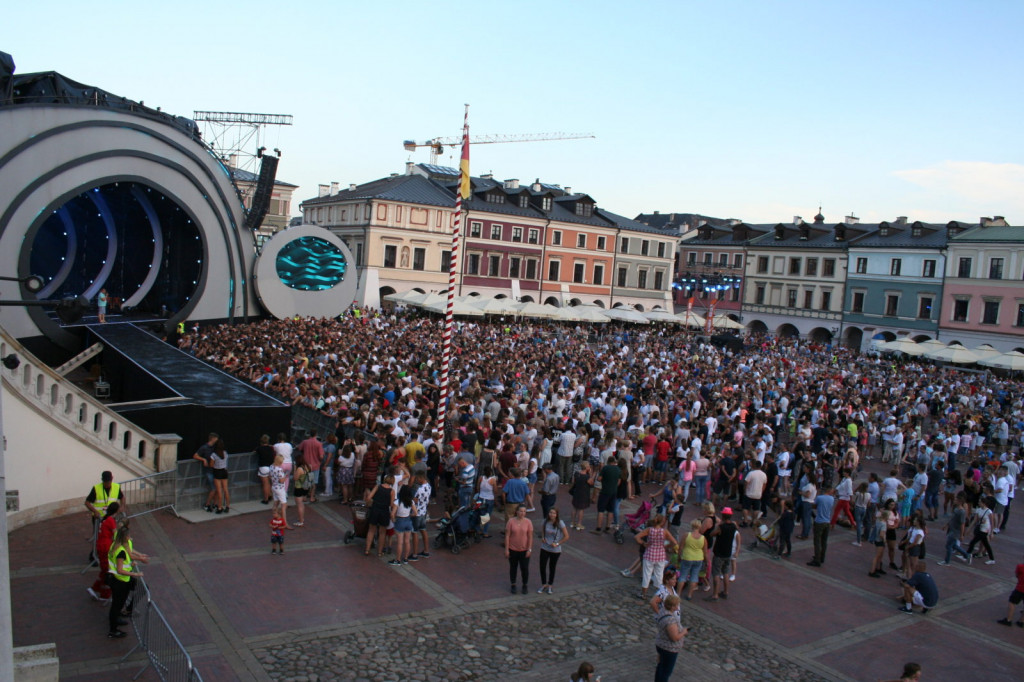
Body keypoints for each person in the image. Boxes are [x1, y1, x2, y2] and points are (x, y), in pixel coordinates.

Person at [106, 525, 143, 638]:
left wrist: (131, 564)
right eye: (129, 536)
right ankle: (113, 630)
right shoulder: (120, 551)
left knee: (141, 588)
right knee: (116, 605)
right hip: (120, 581)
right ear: (126, 537)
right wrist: (135, 574)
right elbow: (120, 570)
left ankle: (123, 613)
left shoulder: (115, 546)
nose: (130, 537)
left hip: (121, 580)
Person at [84, 471, 124, 561]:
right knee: (98, 537)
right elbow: (87, 502)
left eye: (109, 482)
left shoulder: (116, 487)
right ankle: (94, 555)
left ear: (112, 479)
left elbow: (122, 497)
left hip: (111, 518)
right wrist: (95, 511)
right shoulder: (96, 488)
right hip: (99, 518)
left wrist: (122, 507)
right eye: (105, 482)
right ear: (102, 480)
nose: (107, 484)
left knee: (109, 536)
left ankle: (107, 554)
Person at [637, 514, 678, 600]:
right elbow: (674, 542)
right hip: (660, 556)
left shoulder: (649, 530)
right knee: (659, 575)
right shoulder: (664, 531)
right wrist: (667, 545)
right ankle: (660, 594)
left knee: (646, 575)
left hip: (649, 554)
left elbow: (637, 537)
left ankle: (643, 593)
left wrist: (644, 543)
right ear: (663, 522)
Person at [88, 500, 120, 602]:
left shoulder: (106, 519)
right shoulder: (111, 520)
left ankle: (96, 589)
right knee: (107, 571)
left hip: (102, 546)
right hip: (105, 547)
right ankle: (104, 594)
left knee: (104, 570)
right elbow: (116, 534)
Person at [653, 594, 688, 682]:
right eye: (676, 605)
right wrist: (684, 632)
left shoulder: (662, 611)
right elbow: (675, 638)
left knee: (660, 667)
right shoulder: (670, 620)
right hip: (669, 649)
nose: (677, 607)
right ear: (672, 606)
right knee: (666, 671)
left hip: (661, 644)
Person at [538, 506, 569, 594]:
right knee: (542, 566)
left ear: (557, 515)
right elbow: (543, 531)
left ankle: (550, 585)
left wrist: (557, 543)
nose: (552, 515)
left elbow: (566, 536)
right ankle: (544, 584)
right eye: (551, 513)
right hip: (545, 547)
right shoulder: (545, 521)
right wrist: (543, 537)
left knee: (552, 567)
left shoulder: (560, 523)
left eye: (554, 513)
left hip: (555, 549)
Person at [709, 507, 738, 600]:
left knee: (716, 573)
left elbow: (712, 534)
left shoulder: (721, 527)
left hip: (719, 552)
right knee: (725, 572)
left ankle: (715, 594)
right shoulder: (733, 526)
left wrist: (718, 525)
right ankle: (725, 592)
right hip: (728, 552)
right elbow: (735, 526)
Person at [505, 503, 534, 594]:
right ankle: (513, 584)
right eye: (521, 511)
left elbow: (530, 536)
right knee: (513, 567)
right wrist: (506, 549)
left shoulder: (528, 522)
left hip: (524, 549)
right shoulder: (511, 521)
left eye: (524, 511)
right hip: (513, 549)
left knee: (524, 568)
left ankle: (524, 584)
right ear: (517, 512)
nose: (522, 513)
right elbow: (507, 535)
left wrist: (529, 549)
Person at [364, 474, 396, 557]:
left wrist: (369, 503)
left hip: (375, 509)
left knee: (371, 530)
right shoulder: (392, 491)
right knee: (382, 533)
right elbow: (391, 504)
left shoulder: (377, 487)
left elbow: (369, 497)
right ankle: (379, 552)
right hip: (384, 511)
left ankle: (367, 549)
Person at [678, 518, 706, 601]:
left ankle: (678, 594)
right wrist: (706, 560)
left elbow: (681, 547)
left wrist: (679, 557)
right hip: (698, 558)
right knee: (694, 576)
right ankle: (689, 595)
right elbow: (705, 551)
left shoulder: (687, 535)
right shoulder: (703, 538)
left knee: (683, 576)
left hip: (687, 557)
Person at [389, 483, 417, 565]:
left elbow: (392, 514)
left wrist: (393, 519)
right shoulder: (411, 501)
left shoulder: (398, 502)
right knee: (407, 541)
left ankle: (397, 560)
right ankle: (405, 559)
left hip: (400, 521)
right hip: (408, 521)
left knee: (400, 542)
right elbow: (415, 512)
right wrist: (410, 515)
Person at [593, 456, 621, 533]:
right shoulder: (618, 469)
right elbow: (619, 481)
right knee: (610, 510)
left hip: (605, 491)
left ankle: (598, 528)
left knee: (601, 510)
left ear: (608, 461)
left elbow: (599, 478)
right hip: (614, 492)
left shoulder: (605, 468)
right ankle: (607, 527)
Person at [807, 488, 835, 567]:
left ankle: (817, 559)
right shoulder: (832, 499)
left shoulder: (820, 498)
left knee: (817, 541)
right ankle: (822, 557)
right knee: (824, 541)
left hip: (819, 521)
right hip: (827, 521)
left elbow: (815, 506)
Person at [193, 432, 219, 512]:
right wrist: (203, 459)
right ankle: (207, 504)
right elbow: (195, 455)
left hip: (215, 470)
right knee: (214, 488)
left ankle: (215, 504)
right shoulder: (204, 447)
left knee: (217, 488)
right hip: (209, 471)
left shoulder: (215, 447)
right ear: (213, 439)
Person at [996, 554, 1024, 626]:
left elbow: (1017, 575)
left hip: (1020, 588)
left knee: (1012, 602)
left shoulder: (1020, 567)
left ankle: (1008, 619)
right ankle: (1021, 621)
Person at [269, 453, 292, 530]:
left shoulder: (271, 467)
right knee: (284, 505)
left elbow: (270, 476)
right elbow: (282, 481)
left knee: (275, 503)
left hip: (274, 486)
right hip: (280, 488)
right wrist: (286, 475)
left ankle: (274, 517)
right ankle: (285, 522)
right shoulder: (279, 470)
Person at [210, 437, 230, 513]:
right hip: (224, 471)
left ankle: (220, 507)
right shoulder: (225, 453)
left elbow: (211, 465)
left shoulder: (214, 454)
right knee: (226, 489)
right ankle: (227, 506)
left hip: (217, 472)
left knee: (219, 490)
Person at [256, 434, 276, 504]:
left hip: (263, 467)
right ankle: (270, 495)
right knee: (269, 483)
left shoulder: (259, 449)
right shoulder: (271, 448)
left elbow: (255, 452)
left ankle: (266, 499)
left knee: (265, 484)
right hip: (271, 467)